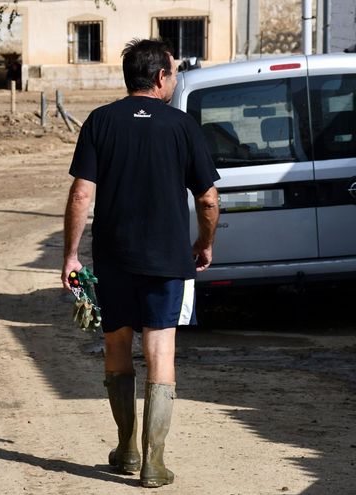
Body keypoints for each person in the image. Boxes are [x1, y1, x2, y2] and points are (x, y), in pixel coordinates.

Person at [61, 38, 220, 488]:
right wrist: (204, 244)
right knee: (160, 351)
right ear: (159, 78)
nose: (173, 79)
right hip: (167, 259)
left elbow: (80, 194)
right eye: (172, 72)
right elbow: (207, 199)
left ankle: (127, 449)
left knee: (116, 346)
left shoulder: (100, 121)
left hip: (113, 258)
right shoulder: (182, 126)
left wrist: (71, 255)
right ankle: (154, 461)